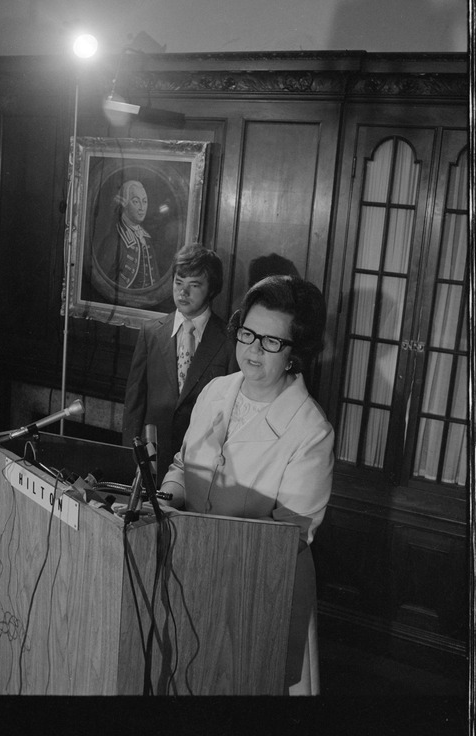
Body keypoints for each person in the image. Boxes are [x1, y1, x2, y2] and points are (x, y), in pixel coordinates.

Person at [160, 274, 334, 695]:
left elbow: (291, 534)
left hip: (258, 591)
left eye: (271, 341)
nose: (253, 348)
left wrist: (207, 544)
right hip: (192, 570)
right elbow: (184, 463)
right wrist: (164, 499)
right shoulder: (217, 391)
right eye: (248, 333)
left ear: (296, 353)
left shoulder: (311, 431)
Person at [123, 243, 238, 475]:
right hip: (152, 459)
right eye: (178, 283)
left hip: (202, 463)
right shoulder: (151, 333)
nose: (183, 293)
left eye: (194, 285)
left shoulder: (228, 340)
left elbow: (233, 411)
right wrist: (130, 457)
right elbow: (134, 403)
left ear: (212, 289)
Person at [101, 179, 160, 289]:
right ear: (124, 204)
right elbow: (103, 284)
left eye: (145, 201)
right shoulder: (114, 240)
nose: (142, 208)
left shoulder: (146, 238)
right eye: (136, 202)